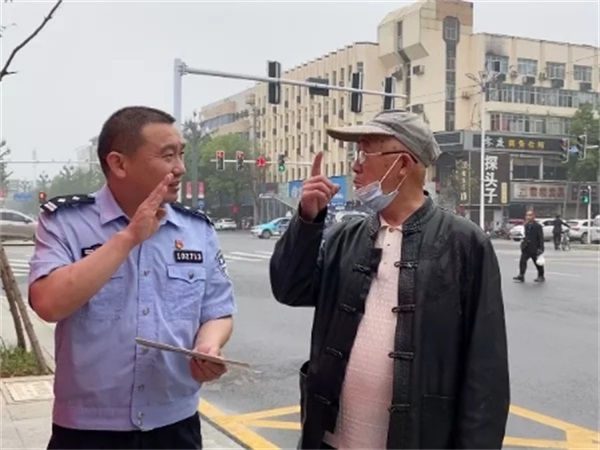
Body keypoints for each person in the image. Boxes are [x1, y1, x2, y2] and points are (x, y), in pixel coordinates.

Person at [270, 110, 510, 449]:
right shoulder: (345, 237)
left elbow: (486, 370)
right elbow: (288, 288)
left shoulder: (463, 244)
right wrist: (307, 220)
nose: (355, 166)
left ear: (402, 164)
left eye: (364, 154)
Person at [28, 106, 237, 449]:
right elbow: (48, 304)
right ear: (119, 164)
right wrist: (127, 238)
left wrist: (209, 345)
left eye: (181, 154)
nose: (180, 168)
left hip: (175, 425)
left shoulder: (196, 229)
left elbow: (217, 310)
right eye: (167, 156)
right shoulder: (65, 222)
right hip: (88, 430)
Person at [514, 210, 545, 282]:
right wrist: (523, 245)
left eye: (530, 215)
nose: (528, 217)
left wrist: (541, 248)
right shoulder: (526, 225)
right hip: (526, 247)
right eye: (527, 215)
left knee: (538, 263)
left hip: (535, 247)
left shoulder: (538, 226)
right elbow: (525, 236)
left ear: (533, 216)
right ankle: (521, 275)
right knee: (522, 261)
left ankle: (541, 276)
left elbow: (541, 238)